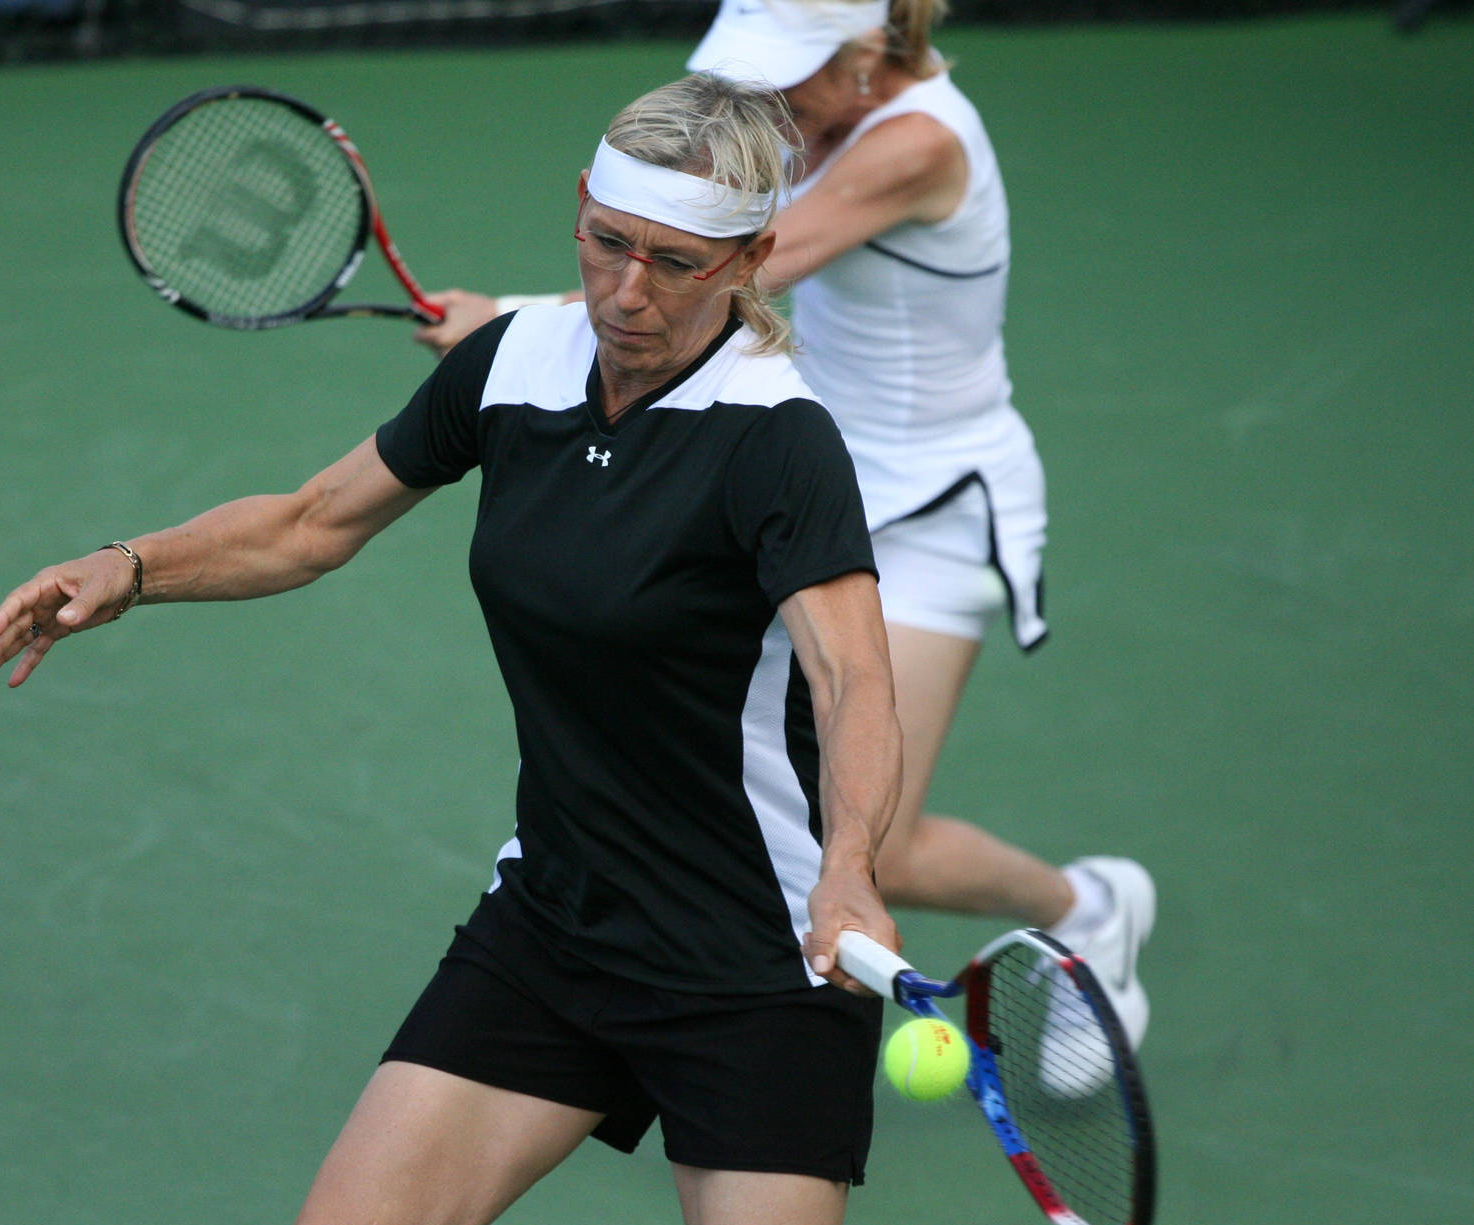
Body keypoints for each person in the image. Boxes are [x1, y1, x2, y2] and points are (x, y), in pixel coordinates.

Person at [0, 75, 906, 1225]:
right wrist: (132, 565)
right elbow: (312, 521)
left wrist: (848, 871)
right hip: (561, 922)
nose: (629, 291)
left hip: (758, 957)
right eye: (609, 244)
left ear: (751, 257)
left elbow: (855, 683)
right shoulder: (515, 360)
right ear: (578, 209)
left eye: (675, 263)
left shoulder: (777, 439)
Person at [414, 0, 1156, 1054]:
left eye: (795, 74)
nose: (771, 102)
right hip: (795, 479)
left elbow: (759, 263)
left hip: (929, 510)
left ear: (872, 53)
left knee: (875, 843)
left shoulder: (916, 143)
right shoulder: (810, 117)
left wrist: (509, 325)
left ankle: (1086, 908)